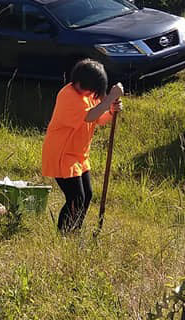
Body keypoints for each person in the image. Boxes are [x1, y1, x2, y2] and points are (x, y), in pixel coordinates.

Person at [41, 60, 123, 233]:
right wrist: (109, 99)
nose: (84, 89)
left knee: (87, 196)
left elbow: (98, 118)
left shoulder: (88, 95)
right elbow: (89, 116)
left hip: (79, 155)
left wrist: (111, 110)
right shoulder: (67, 95)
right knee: (75, 198)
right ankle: (64, 235)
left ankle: (74, 231)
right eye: (83, 85)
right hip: (62, 155)